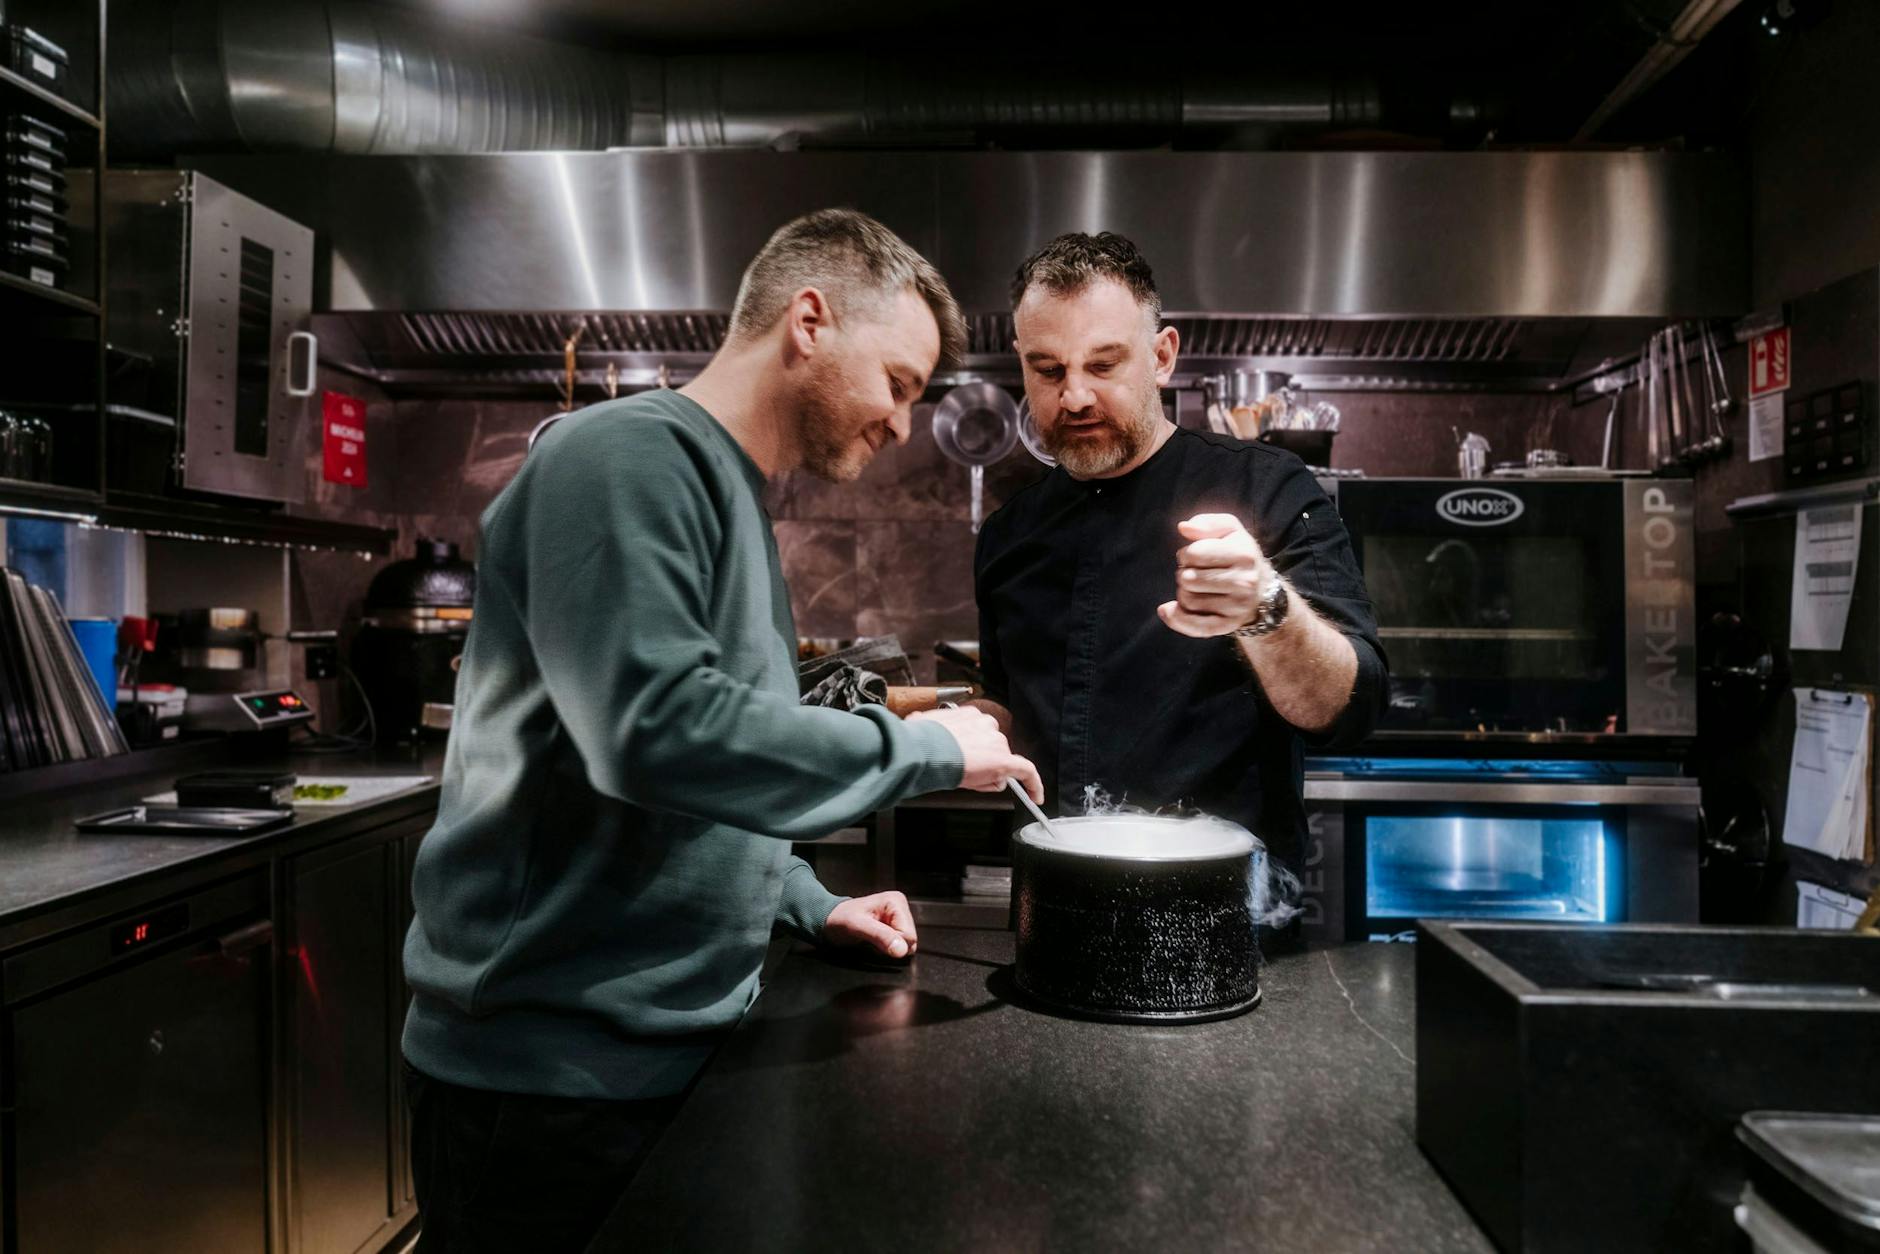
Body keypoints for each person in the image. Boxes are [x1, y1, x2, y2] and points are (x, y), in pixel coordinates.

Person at [402, 208, 1043, 1253]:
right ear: (808, 321)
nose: (898, 423)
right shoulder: (624, 458)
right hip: (545, 1088)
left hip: (654, 1059)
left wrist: (798, 899)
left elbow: (687, 778)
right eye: (897, 381)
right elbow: (657, 733)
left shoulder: (720, 491)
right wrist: (929, 751)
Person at [972, 231, 1386, 901]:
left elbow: (1351, 706)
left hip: (1226, 913)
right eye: (1048, 371)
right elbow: (1009, 703)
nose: (1073, 396)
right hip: (1054, 905)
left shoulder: (1267, 491)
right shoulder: (1007, 533)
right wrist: (938, 733)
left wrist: (1267, 610)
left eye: (1103, 365)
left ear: (1162, 356)